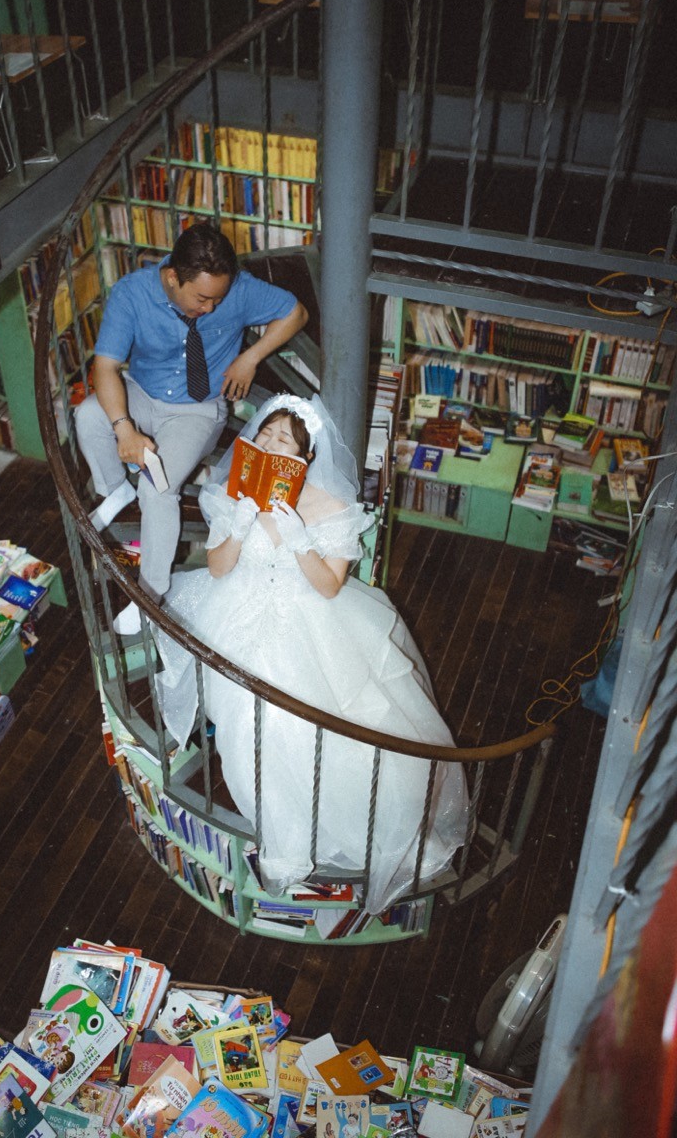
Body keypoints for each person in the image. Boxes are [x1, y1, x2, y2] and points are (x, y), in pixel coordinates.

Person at [154, 393, 469, 914]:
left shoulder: (333, 505)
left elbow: (328, 588)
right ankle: (283, 834)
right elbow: (217, 569)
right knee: (251, 723)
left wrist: (301, 539)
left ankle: (333, 823)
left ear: (307, 456)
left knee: (318, 721)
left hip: (310, 616)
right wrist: (239, 524)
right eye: (266, 436)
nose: (273, 444)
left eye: (287, 442)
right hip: (237, 609)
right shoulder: (234, 493)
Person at [74, 223, 308, 633]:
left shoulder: (236, 290)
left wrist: (250, 357)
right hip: (142, 393)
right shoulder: (132, 293)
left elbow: (296, 313)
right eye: (202, 298)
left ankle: (150, 595)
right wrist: (125, 428)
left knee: (158, 488)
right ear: (171, 278)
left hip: (198, 410)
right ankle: (114, 489)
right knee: (87, 415)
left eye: (218, 298)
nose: (212, 308)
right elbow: (106, 367)